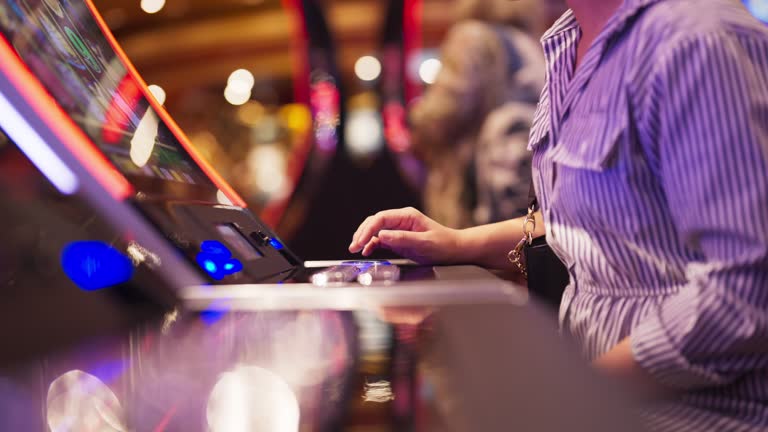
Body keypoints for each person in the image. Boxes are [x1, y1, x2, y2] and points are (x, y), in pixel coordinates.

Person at [349, 0, 768, 429]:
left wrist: (570, 388)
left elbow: (746, 291)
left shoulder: (696, 38)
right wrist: (456, 242)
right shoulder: (568, 42)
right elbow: (592, 222)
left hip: (694, 416)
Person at [410, 0, 548, 228]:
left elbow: (444, 111)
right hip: (522, 190)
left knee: (464, 256)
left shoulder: (471, 36)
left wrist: (417, 119)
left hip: (471, 193)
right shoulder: (530, 42)